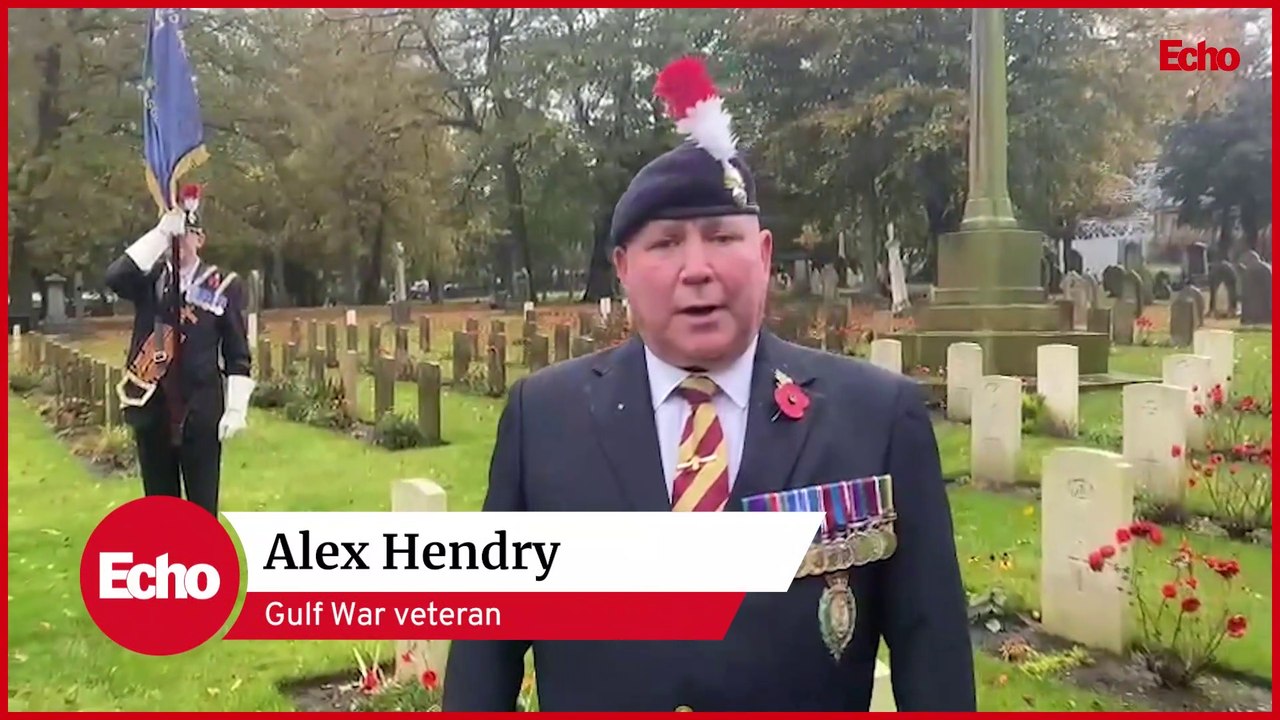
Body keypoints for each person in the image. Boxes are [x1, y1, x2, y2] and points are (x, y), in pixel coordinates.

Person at [442, 58, 974, 712]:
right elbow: (484, 651)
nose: (697, 269)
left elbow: (935, 654)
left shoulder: (876, 415)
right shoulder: (543, 418)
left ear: (765, 256)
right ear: (623, 270)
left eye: (723, 237)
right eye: (666, 245)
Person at [104, 185, 253, 516]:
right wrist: (159, 233)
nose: (179, 242)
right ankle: (168, 566)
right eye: (175, 234)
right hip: (152, 407)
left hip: (200, 410)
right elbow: (115, 277)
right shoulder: (151, 278)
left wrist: (236, 409)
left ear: (200, 239)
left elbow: (237, 353)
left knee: (202, 507)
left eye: (186, 234)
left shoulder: (222, 285)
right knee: (160, 510)